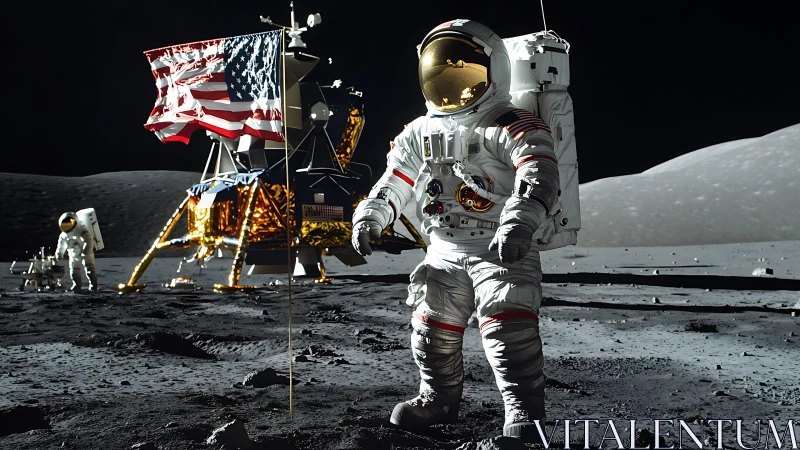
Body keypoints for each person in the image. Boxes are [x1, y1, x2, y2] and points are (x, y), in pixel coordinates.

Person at [350, 19, 560, 441]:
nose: (451, 83)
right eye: (441, 72)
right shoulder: (419, 131)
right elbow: (396, 181)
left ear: (494, 71)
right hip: (443, 249)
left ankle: (524, 411)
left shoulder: (512, 123)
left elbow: (538, 172)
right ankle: (438, 400)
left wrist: (519, 220)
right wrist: (372, 216)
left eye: (464, 73)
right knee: (430, 332)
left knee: (507, 330)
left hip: (498, 248)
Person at [55, 212, 98, 292]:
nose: (67, 227)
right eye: (65, 225)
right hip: (74, 254)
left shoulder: (82, 230)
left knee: (89, 269)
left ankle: (93, 285)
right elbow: (61, 245)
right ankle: (76, 285)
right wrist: (59, 253)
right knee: (74, 271)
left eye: (69, 224)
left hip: (86, 253)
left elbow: (89, 240)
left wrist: (86, 251)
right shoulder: (64, 235)